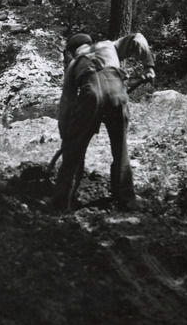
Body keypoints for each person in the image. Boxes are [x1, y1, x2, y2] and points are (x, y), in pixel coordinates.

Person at [47, 32, 155, 210]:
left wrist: (66, 133)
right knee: (120, 147)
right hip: (117, 93)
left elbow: (67, 102)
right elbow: (138, 38)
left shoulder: (74, 65)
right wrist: (148, 66)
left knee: (75, 149)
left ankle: (61, 202)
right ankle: (126, 199)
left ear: (73, 51)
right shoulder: (108, 45)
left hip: (90, 97)